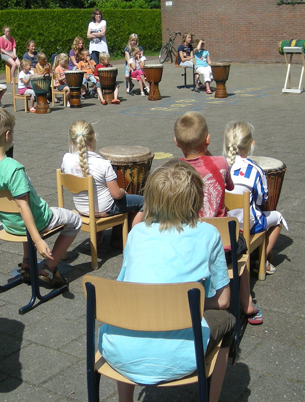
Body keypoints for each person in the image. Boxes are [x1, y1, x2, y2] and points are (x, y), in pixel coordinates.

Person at [98, 160, 234, 402]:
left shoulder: (136, 233)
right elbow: (223, 300)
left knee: (127, 313)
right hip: (183, 357)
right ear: (196, 198)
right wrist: (187, 306)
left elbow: (126, 286)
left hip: (119, 352)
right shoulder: (209, 234)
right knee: (228, 321)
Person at [0, 107, 82, 286]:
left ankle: (27, 263)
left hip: (8, 223)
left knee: (22, 216)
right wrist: (38, 241)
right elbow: (24, 207)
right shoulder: (13, 168)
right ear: (7, 135)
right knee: (75, 220)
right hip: (38, 220)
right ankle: (50, 266)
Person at [174, 112, 262, 324]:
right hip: (223, 244)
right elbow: (229, 187)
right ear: (208, 139)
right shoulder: (221, 163)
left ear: (176, 142)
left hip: (189, 241)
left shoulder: (175, 169)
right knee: (242, 249)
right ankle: (247, 303)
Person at [224, 121, 288, 276]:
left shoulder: (220, 165)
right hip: (246, 224)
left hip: (224, 223)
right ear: (251, 145)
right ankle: (261, 260)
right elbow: (261, 200)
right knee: (278, 218)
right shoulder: (255, 170)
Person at [61, 120, 144, 234]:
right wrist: (123, 191)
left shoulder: (66, 159)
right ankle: (136, 237)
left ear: (72, 142)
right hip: (104, 209)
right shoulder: (103, 163)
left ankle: (99, 238)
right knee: (145, 202)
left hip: (81, 208)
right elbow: (116, 195)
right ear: (94, 137)